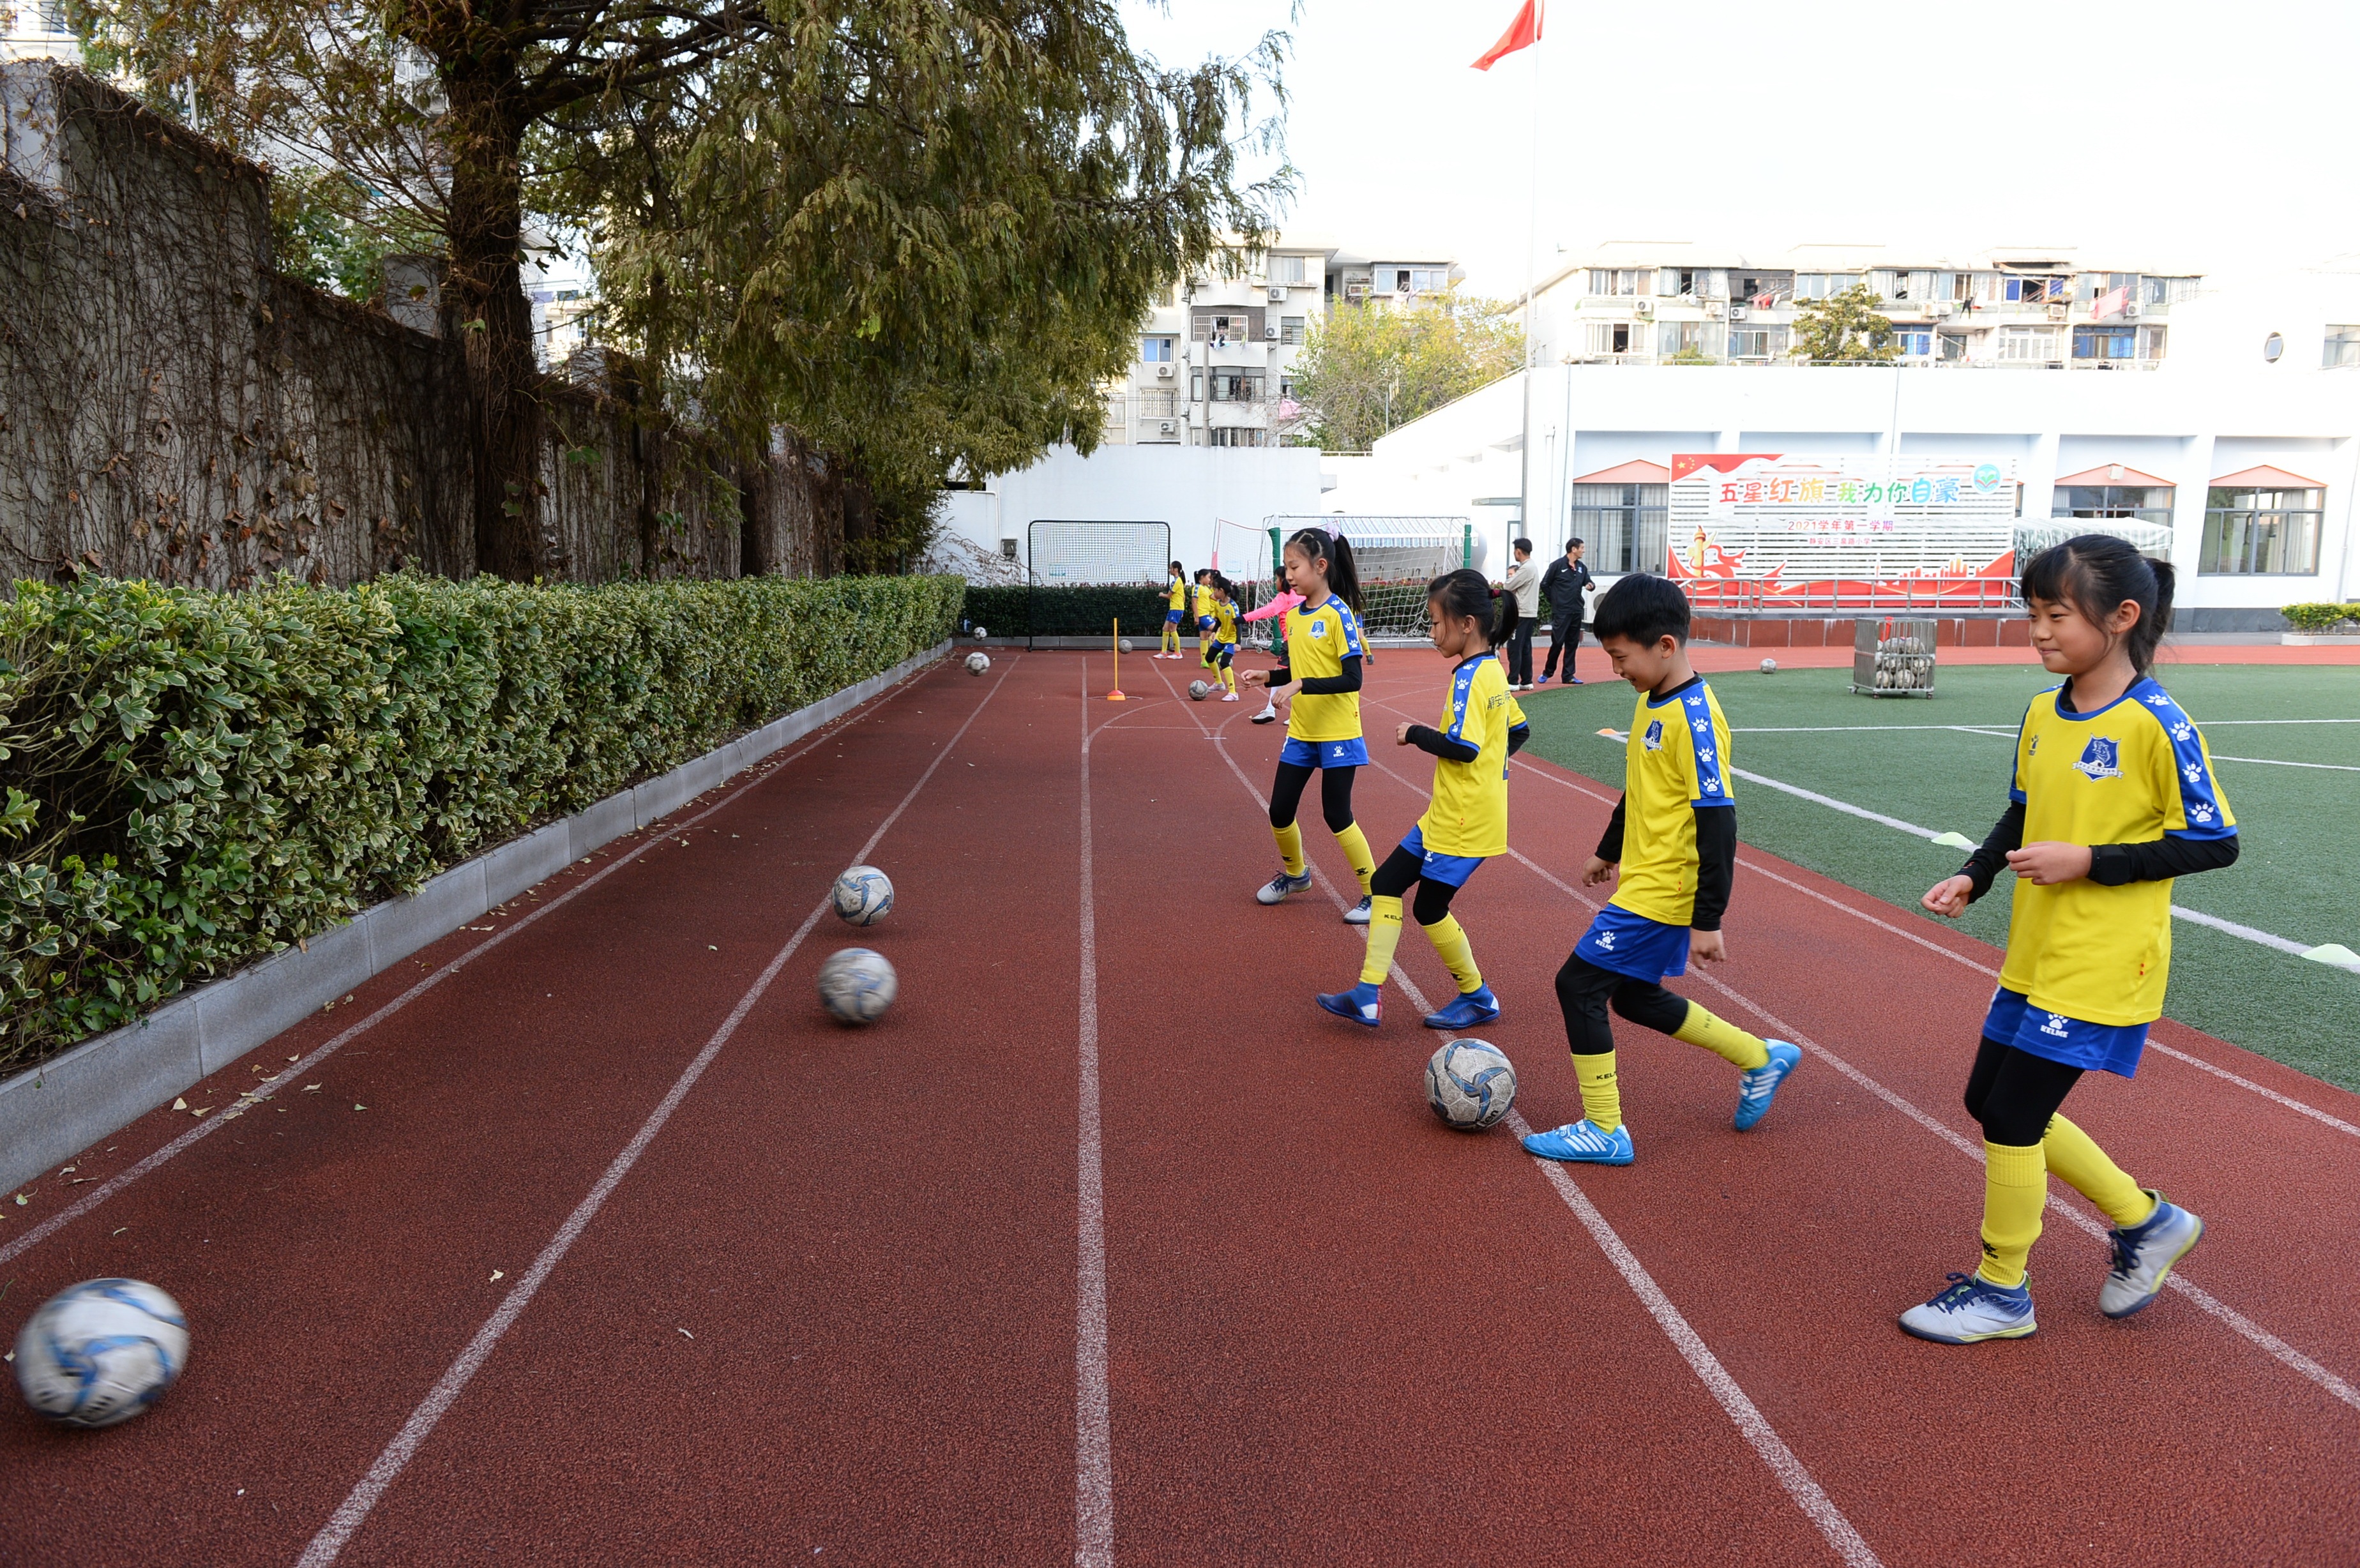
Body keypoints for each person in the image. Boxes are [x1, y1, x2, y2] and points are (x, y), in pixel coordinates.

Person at [1898, 536, 2232, 1345]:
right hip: (2037, 947)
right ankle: (2146, 1221)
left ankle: (2003, 1288)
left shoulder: (2159, 722)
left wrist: (2091, 861)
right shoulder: (2045, 710)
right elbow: (2023, 809)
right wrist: (1976, 873)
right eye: (2033, 614)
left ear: (2123, 618)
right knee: (1989, 1100)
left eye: (2056, 614)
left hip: (2104, 958)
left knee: (2013, 1113)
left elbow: (2213, 840)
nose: (2039, 631)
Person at [1520, 572, 1802, 1166]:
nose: (1617, 669)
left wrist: (1708, 919)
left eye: (1622, 657)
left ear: (1665, 646)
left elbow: (1719, 823)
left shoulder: (1698, 721)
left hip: (1668, 888)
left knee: (1578, 985)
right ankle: (1759, 1056)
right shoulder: (1653, 700)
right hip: (1643, 878)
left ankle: (1605, 1128)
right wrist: (1609, 848)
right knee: (1632, 996)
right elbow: (1641, 788)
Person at [1318, 570, 1527, 1030]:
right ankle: (1367, 995)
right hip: (1448, 813)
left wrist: (1415, 734)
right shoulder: (1493, 668)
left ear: (1467, 624)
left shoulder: (1472, 678)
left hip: (1463, 820)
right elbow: (1518, 729)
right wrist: (1492, 773)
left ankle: (1477, 996)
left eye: (1436, 623)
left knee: (1430, 908)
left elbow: (1465, 747)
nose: (1432, 633)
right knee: (1386, 883)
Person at [1240, 527, 1380, 925]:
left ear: (1321, 566)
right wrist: (1269, 678)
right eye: (1286, 567)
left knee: (1337, 814)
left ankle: (1374, 894)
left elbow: (1353, 679)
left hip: (1338, 731)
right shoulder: (1295, 616)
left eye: (1294, 566)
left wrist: (1300, 683)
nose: (1288, 576)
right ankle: (1297, 875)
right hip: (1302, 730)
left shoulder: (1339, 615)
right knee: (1280, 810)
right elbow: (1299, 670)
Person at [1537, 538, 1594, 685]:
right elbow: (1545, 584)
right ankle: (1547, 672)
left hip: (1576, 610)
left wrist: (1590, 585)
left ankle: (1568, 675)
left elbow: (1589, 581)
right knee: (1557, 642)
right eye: (1582, 547)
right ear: (1573, 549)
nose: (1584, 550)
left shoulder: (1582, 567)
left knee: (1572, 644)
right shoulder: (1557, 565)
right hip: (1561, 611)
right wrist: (1555, 600)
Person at [1500, 538, 1541, 690]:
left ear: (1518, 551)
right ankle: (1526, 680)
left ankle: (1513, 681)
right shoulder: (1532, 567)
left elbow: (1508, 585)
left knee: (1514, 646)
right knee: (1525, 647)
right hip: (1529, 612)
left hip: (1522, 612)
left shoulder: (1526, 568)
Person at [1204, 576, 1242, 700]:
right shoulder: (1218, 605)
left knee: (1224, 662)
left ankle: (1233, 692)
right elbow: (1219, 621)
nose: (1213, 592)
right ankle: (1219, 683)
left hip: (1231, 639)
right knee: (1209, 657)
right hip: (1222, 637)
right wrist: (1214, 632)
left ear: (1221, 590)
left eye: (1214, 590)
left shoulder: (1232, 606)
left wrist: (1238, 643)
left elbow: (1239, 624)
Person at [1160, 562, 1188, 658]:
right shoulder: (1178, 581)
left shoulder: (1177, 581)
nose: (1169, 570)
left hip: (1176, 608)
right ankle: (1163, 652)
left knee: (1173, 629)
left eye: (1171, 568)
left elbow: (1168, 596)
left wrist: (1161, 595)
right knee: (1165, 629)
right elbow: (1183, 596)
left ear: (1176, 569)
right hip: (1175, 608)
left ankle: (1178, 652)